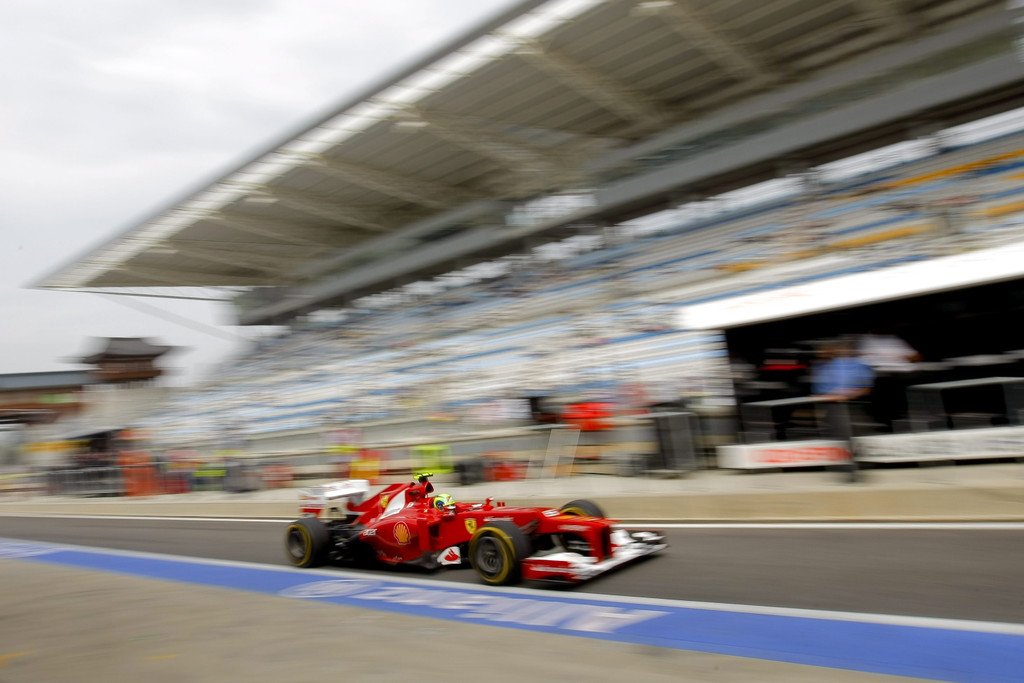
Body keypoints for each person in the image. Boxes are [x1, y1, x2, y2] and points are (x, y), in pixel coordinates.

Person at [811, 338, 875, 482]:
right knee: (844, 437)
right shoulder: (825, 367)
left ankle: (855, 468)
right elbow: (819, 390)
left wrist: (849, 394)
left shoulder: (859, 364)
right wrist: (827, 396)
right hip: (834, 406)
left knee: (853, 437)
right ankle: (850, 470)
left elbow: (866, 387)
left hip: (854, 405)